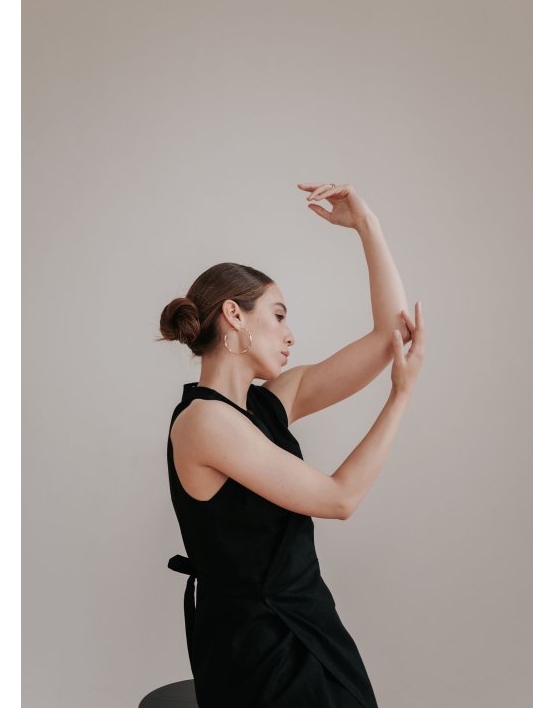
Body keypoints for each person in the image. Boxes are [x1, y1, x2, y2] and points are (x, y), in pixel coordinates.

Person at [156, 182, 425, 708]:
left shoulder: (268, 404)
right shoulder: (204, 422)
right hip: (256, 652)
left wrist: (367, 226)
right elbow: (340, 499)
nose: (290, 335)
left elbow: (389, 337)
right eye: (278, 315)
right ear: (235, 315)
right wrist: (400, 398)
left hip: (308, 629)